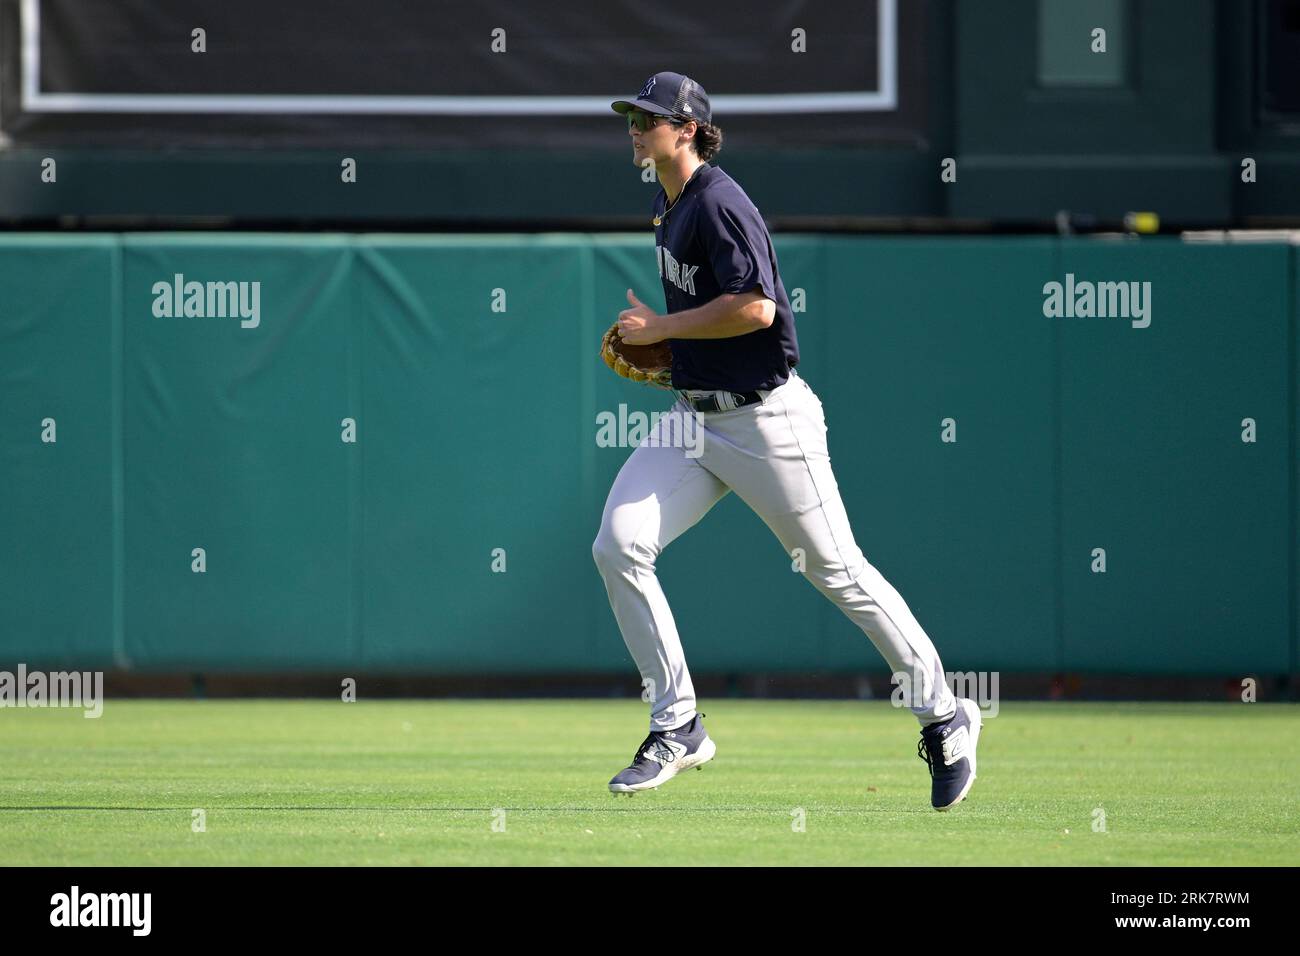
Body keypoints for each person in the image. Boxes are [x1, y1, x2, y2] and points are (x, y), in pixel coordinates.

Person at [593, 72, 982, 810]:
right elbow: (715, 315)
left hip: (767, 422)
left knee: (839, 572)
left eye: (649, 119)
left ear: (688, 129)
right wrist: (674, 346)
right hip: (695, 419)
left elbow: (759, 309)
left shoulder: (717, 200)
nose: (635, 129)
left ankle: (945, 713)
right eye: (631, 118)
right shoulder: (666, 203)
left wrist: (667, 328)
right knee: (618, 545)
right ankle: (678, 725)